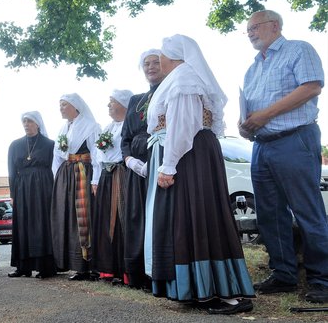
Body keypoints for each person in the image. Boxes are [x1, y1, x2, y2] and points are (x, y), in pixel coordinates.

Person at [146, 35, 255, 314]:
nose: (159, 60)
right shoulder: (190, 78)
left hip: (190, 154)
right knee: (201, 216)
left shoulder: (184, 80)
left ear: (173, 57)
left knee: (199, 215)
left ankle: (224, 292)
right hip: (200, 151)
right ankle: (204, 288)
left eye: (162, 55)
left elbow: (182, 128)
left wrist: (167, 166)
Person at [239, 9, 327, 303]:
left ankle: (322, 278)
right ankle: (283, 273)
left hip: (294, 140)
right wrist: (247, 124)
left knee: (307, 210)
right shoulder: (252, 68)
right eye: (247, 30)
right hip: (262, 145)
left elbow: (312, 86)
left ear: (274, 26)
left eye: (254, 27)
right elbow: (254, 110)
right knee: (269, 214)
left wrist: (264, 115)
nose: (250, 32)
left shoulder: (298, 49)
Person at [120, 49, 165, 290]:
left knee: (156, 217)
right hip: (136, 170)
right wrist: (129, 161)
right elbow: (125, 138)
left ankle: (157, 273)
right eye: (146, 63)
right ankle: (137, 275)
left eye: (155, 62)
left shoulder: (171, 92)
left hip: (160, 163)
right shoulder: (135, 100)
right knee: (136, 218)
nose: (150, 67)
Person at [50, 93, 101, 281]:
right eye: (60, 105)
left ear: (75, 106)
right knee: (69, 218)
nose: (61, 108)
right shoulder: (64, 128)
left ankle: (91, 265)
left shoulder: (91, 127)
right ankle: (78, 266)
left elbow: (97, 156)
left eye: (64, 105)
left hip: (82, 174)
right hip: (67, 175)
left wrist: (95, 179)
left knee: (84, 217)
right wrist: (58, 177)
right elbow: (57, 156)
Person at [7, 111, 56, 279]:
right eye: (24, 122)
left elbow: (54, 168)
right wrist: (12, 193)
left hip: (43, 187)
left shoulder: (50, 144)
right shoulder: (15, 145)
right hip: (22, 188)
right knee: (22, 224)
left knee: (42, 224)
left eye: (29, 121)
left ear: (38, 123)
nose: (26, 124)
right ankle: (23, 267)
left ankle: (45, 267)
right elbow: (12, 171)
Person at [91, 89, 133, 283]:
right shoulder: (108, 127)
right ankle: (108, 269)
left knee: (121, 221)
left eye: (112, 102)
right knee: (105, 222)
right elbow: (98, 158)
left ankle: (125, 270)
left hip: (121, 175)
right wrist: (96, 180)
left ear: (123, 104)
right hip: (106, 178)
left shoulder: (129, 126)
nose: (108, 106)